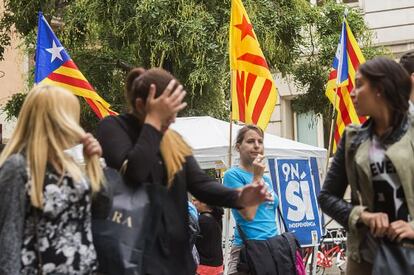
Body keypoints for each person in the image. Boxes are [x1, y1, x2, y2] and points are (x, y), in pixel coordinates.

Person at [96, 67, 271, 275]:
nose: (172, 120)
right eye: (167, 112)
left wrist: (239, 196)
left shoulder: (173, 140)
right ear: (143, 105)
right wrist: (153, 123)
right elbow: (136, 172)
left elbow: (202, 185)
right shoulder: (113, 127)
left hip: (174, 262)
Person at [318, 57, 414, 275]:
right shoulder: (353, 138)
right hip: (366, 259)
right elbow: (326, 197)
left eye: (360, 84)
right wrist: (362, 215)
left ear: (380, 89)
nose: (352, 93)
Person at [0, 85, 106, 275]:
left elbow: (102, 209)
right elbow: (8, 239)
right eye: (71, 116)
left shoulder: (70, 164)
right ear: (56, 120)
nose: (76, 123)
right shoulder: (18, 166)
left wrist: (95, 165)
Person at [223, 125, 279, 275]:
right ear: (238, 147)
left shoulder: (266, 179)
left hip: (272, 248)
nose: (256, 146)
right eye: (250, 141)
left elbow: (269, 216)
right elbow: (248, 214)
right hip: (247, 251)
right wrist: (257, 178)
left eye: (260, 141)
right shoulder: (232, 175)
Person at [193, 198, 224, 275]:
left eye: (195, 200)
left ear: (204, 203)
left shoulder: (201, 220)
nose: (193, 203)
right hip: (217, 267)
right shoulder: (217, 219)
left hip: (203, 268)